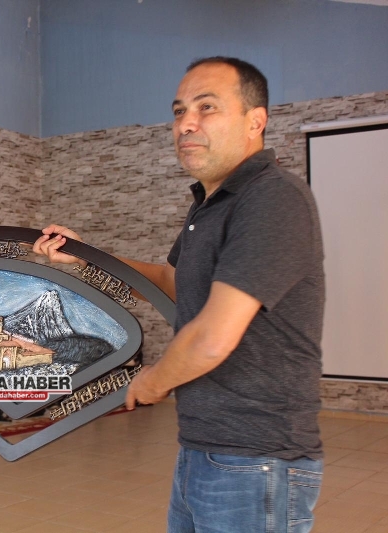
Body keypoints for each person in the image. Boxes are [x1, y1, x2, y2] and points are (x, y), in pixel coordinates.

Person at [34, 57, 324, 533]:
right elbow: (169, 283)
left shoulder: (272, 197)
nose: (186, 123)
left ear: (255, 121)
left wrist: (152, 382)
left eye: (207, 107)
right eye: (178, 111)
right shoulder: (210, 206)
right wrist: (86, 258)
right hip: (204, 449)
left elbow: (212, 338)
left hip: (258, 458)